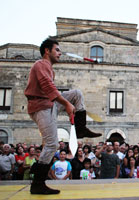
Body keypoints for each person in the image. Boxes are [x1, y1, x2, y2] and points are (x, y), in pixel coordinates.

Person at [24, 39, 101, 194]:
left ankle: (80, 128)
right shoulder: (40, 64)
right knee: (52, 145)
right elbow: (47, 86)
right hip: (41, 107)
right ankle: (38, 184)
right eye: (57, 50)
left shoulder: (49, 68)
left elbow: (50, 90)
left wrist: (66, 103)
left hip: (49, 104)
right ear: (47, 51)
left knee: (76, 94)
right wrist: (66, 104)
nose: (59, 53)